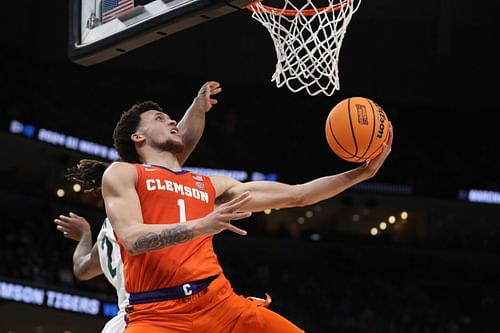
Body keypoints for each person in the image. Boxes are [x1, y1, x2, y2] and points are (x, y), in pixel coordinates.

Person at [77, 81, 393, 332]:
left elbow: (298, 195)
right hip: (156, 315)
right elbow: (132, 239)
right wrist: (202, 225)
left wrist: (360, 173)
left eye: (170, 116)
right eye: (159, 118)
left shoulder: (210, 186)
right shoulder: (124, 174)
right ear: (138, 137)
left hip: (220, 306)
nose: (171, 120)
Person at [53, 81, 222, 333]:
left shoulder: (108, 233)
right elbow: (181, 145)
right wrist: (198, 105)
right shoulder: (146, 193)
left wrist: (85, 235)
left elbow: (81, 269)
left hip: (128, 320)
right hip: (147, 316)